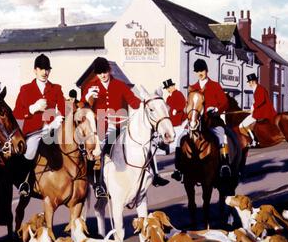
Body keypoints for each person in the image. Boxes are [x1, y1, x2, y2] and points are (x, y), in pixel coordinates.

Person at [81, 57, 169, 198]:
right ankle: (99, 185)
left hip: (121, 124)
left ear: (109, 70)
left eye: (104, 72)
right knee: (101, 149)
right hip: (102, 125)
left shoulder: (120, 85)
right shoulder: (91, 86)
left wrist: (145, 104)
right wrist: (86, 98)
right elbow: (82, 107)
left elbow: (133, 101)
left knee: (145, 143)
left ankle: (155, 175)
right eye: (99, 73)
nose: (103, 76)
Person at [13, 54, 65, 196]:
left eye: (47, 69)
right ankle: (25, 182)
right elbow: (17, 113)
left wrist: (58, 119)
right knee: (30, 151)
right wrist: (32, 109)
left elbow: (63, 109)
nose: (44, 72)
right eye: (41, 69)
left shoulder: (56, 89)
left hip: (52, 129)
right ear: (35, 70)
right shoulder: (26, 89)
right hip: (33, 132)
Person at [172, 59, 231, 182]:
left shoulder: (215, 85)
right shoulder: (192, 88)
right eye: (197, 71)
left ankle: (224, 164)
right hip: (195, 121)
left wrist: (217, 109)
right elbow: (188, 105)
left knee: (222, 137)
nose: (200, 73)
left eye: (202, 70)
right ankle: (178, 169)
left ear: (206, 71)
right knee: (180, 139)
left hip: (212, 121)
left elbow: (224, 102)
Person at [239, 73, 277, 147]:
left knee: (242, 125)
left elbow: (261, 100)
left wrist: (253, 107)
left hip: (262, 112)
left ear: (253, 82)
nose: (249, 84)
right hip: (260, 111)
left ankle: (253, 141)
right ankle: (254, 140)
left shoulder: (259, 89)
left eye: (250, 82)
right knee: (245, 124)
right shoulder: (258, 88)